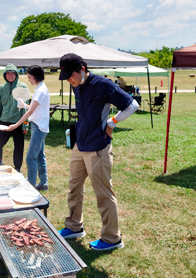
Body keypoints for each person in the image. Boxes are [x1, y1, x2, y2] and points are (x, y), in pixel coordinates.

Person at [57, 53, 139, 251]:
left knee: (103, 193)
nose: (69, 80)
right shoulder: (76, 84)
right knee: (74, 187)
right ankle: (74, 226)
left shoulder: (104, 85)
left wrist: (111, 123)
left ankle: (112, 238)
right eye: (66, 77)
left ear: (82, 69)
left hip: (98, 147)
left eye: (71, 76)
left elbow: (132, 105)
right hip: (80, 145)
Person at [6, 66, 50, 190]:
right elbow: (34, 108)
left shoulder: (40, 91)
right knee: (40, 156)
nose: (29, 80)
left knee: (30, 157)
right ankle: (43, 183)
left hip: (39, 127)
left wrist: (15, 125)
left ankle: (30, 186)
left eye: (30, 77)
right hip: (39, 125)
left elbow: (30, 112)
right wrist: (25, 105)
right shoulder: (41, 89)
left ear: (36, 76)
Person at [0, 64, 28, 172]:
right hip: (3, 122)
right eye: (7, 73)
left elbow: (25, 108)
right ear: (5, 75)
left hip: (18, 123)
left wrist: (25, 124)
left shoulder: (22, 87)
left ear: (16, 74)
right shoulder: (1, 88)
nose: (10, 75)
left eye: (12, 73)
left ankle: (17, 168)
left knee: (18, 146)